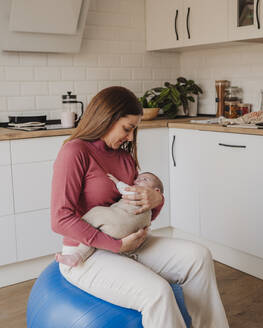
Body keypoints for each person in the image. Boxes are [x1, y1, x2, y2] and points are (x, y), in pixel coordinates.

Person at [51, 86, 229, 328]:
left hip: (130, 244)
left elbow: (134, 212)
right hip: (86, 254)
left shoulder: (124, 158)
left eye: (134, 129)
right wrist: (115, 245)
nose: (131, 137)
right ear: (107, 118)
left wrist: (157, 202)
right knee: (158, 292)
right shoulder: (75, 151)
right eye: (127, 128)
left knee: (199, 257)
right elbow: (60, 218)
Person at [55, 171, 164, 266]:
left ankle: (77, 255)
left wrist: (116, 181)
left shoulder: (138, 192)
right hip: (132, 233)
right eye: (137, 178)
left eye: (144, 179)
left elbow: (123, 188)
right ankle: (77, 257)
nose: (138, 181)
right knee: (96, 233)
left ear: (156, 191)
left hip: (122, 225)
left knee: (96, 213)